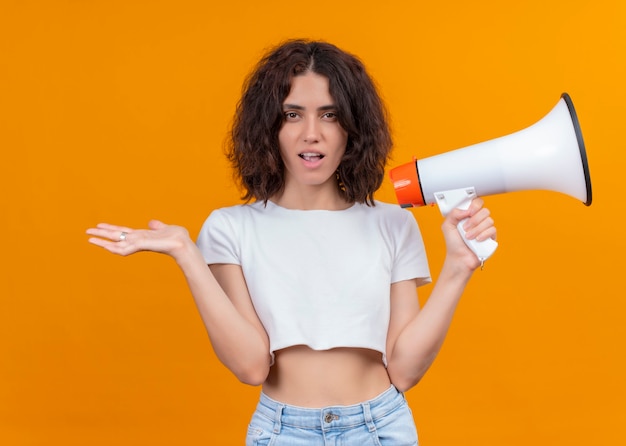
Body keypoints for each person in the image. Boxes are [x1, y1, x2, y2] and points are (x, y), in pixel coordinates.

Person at [86, 39, 496, 445]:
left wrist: (458, 268)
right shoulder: (230, 228)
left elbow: (405, 371)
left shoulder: (392, 224)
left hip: (381, 427)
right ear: (269, 126)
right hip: (282, 433)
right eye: (293, 115)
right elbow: (250, 367)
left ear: (352, 129)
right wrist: (186, 254)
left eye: (330, 115)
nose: (311, 134)